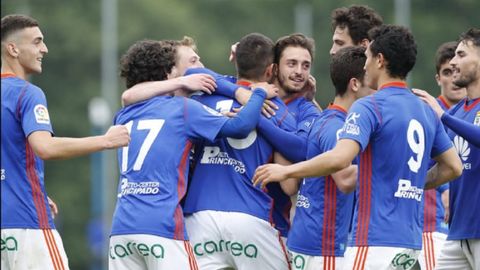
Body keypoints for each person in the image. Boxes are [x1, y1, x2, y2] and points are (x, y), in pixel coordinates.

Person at [253, 25, 463, 269]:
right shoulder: (425, 109)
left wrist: (287, 171)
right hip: (411, 240)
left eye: (368, 57)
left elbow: (340, 159)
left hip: (374, 241)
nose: (365, 65)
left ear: (380, 60)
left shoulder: (369, 106)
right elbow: (453, 167)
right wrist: (413, 183)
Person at [109, 39, 274, 270]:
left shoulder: (123, 114)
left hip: (121, 229)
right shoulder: (183, 110)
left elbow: (129, 96)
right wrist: (258, 94)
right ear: (169, 73)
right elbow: (240, 127)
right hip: (162, 225)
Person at [1, 14, 130, 270]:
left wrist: (28, 186)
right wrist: (105, 141)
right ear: (13, 48)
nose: (44, 49)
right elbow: (45, 148)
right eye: (37, 42)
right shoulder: (27, 93)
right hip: (27, 224)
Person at [182, 33, 295, 270]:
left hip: (199, 218)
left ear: (235, 61)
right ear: (271, 70)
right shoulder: (276, 109)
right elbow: (294, 169)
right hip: (250, 216)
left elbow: (191, 74)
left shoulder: (204, 98)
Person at [288, 46, 372, 270]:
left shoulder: (329, 117)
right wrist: (390, 166)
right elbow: (344, 180)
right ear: (354, 84)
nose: (378, 91)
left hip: (313, 243)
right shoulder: (336, 127)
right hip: (323, 247)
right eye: (372, 84)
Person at [415, 27, 480, 270]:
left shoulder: (448, 116)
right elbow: (432, 166)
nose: (453, 62)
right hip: (457, 234)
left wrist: (442, 116)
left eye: (462, 55)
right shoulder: (455, 113)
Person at [418, 41, 466, 270]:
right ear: (438, 78)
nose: (454, 78)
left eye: (456, 70)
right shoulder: (428, 112)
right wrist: (445, 189)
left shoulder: (471, 112)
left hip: (466, 222)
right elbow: (420, 162)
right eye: (447, 72)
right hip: (431, 223)